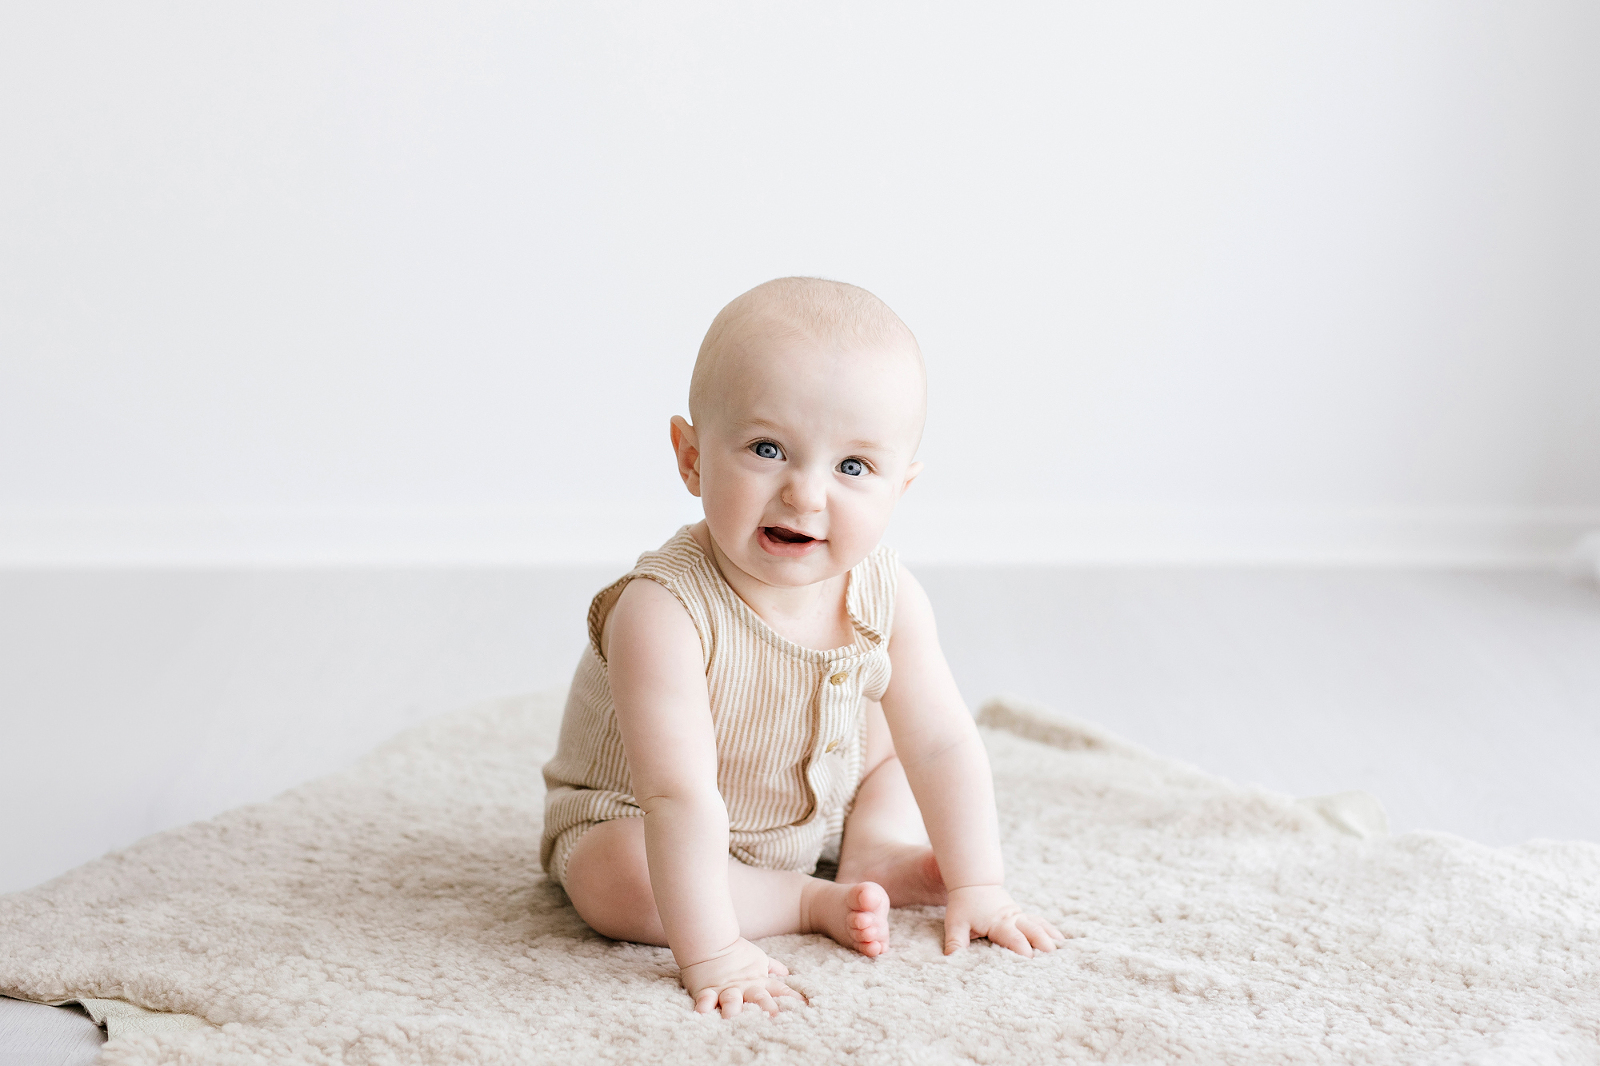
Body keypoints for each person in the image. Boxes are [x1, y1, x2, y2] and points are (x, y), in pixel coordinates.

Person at [540, 277, 1063, 1018]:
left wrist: (980, 885)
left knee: (902, 743)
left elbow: (944, 744)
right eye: (766, 449)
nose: (806, 495)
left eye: (853, 467)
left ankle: (874, 850)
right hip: (650, 818)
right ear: (691, 458)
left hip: (821, 797)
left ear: (899, 489)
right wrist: (714, 953)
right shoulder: (662, 610)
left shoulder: (886, 592)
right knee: (615, 880)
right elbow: (676, 797)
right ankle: (804, 898)